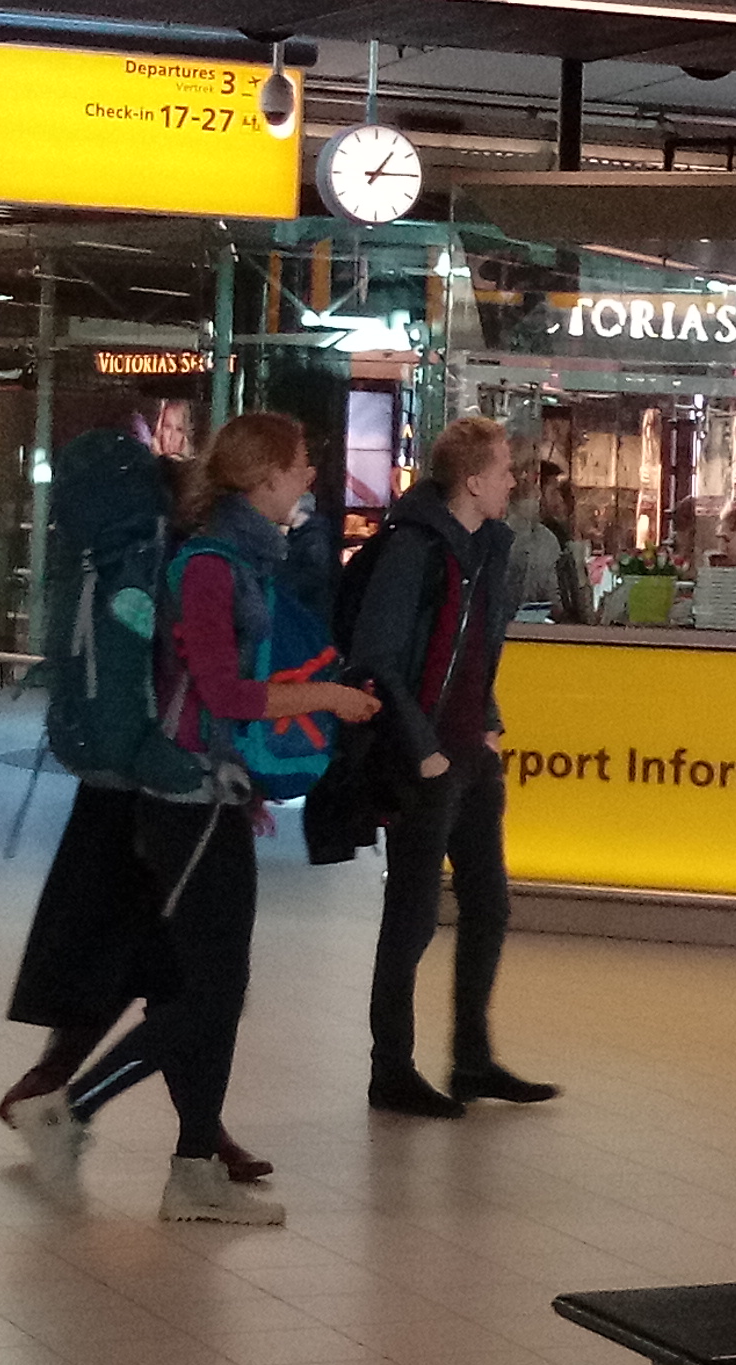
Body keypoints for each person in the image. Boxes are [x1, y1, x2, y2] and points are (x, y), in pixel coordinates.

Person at [52, 412, 378, 1227]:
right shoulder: (208, 565)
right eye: (302, 464)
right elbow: (226, 694)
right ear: (263, 475)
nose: (311, 477)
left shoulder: (244, 557)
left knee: (215, 988)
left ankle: (193, 1165)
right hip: (185, 802)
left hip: (214, 795)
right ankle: (72, 1111)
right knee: (208, 993)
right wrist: (331, 699)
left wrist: (248, 781)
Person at [347, 416, 554, 1119]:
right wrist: (424, 747)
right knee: (410, 916)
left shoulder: (484, 549)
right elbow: (377, 655)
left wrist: (487, 722)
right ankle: (391, 1068)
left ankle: (471, 1059)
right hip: (425, 759)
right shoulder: (413, 550)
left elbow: (471, 652)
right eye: (502, 468)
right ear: (471, 479)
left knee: (489, 904)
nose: (512, 479)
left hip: (469, 753)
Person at [503, 463, 572, 625]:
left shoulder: (547, 536)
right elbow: (555, 601)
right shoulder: (545, 538)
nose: (558, 499)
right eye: (553, 491)